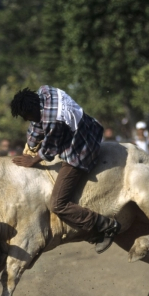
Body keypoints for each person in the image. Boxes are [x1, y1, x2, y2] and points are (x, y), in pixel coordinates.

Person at [10, 86, 121, 253]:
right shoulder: (45, 92)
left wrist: (33, 159)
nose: (26, 119)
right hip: (90, 127)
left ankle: (106, 226)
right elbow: (37, 124)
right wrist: (30, 146)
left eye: (26, 116)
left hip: (81, 149)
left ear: (32, 108)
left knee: (57, 203)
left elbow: (49, 149)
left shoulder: (52, 120)